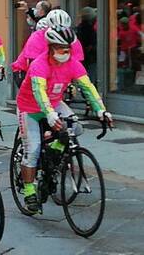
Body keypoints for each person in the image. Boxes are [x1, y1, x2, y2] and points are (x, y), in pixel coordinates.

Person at [17, 26, 113, 214]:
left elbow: (88, 87)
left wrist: (101, 110)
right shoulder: (39, 64)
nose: (66, 52)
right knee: (33, 149)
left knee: (75, 127)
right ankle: (29, 191)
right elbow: (39, 92)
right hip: (30, 108)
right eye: (62, 48)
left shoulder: (73, 63)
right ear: (51, 47)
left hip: (55, 102)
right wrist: (50, 114)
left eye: (68, 48)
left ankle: (54, 150)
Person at [12, 9, 84, 87]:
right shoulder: (37, 37)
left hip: (54, 71)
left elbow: (77, 63)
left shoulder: (72, 39)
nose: (60, 34)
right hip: (24, 70)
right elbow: (33, 64)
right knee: (35, 93)